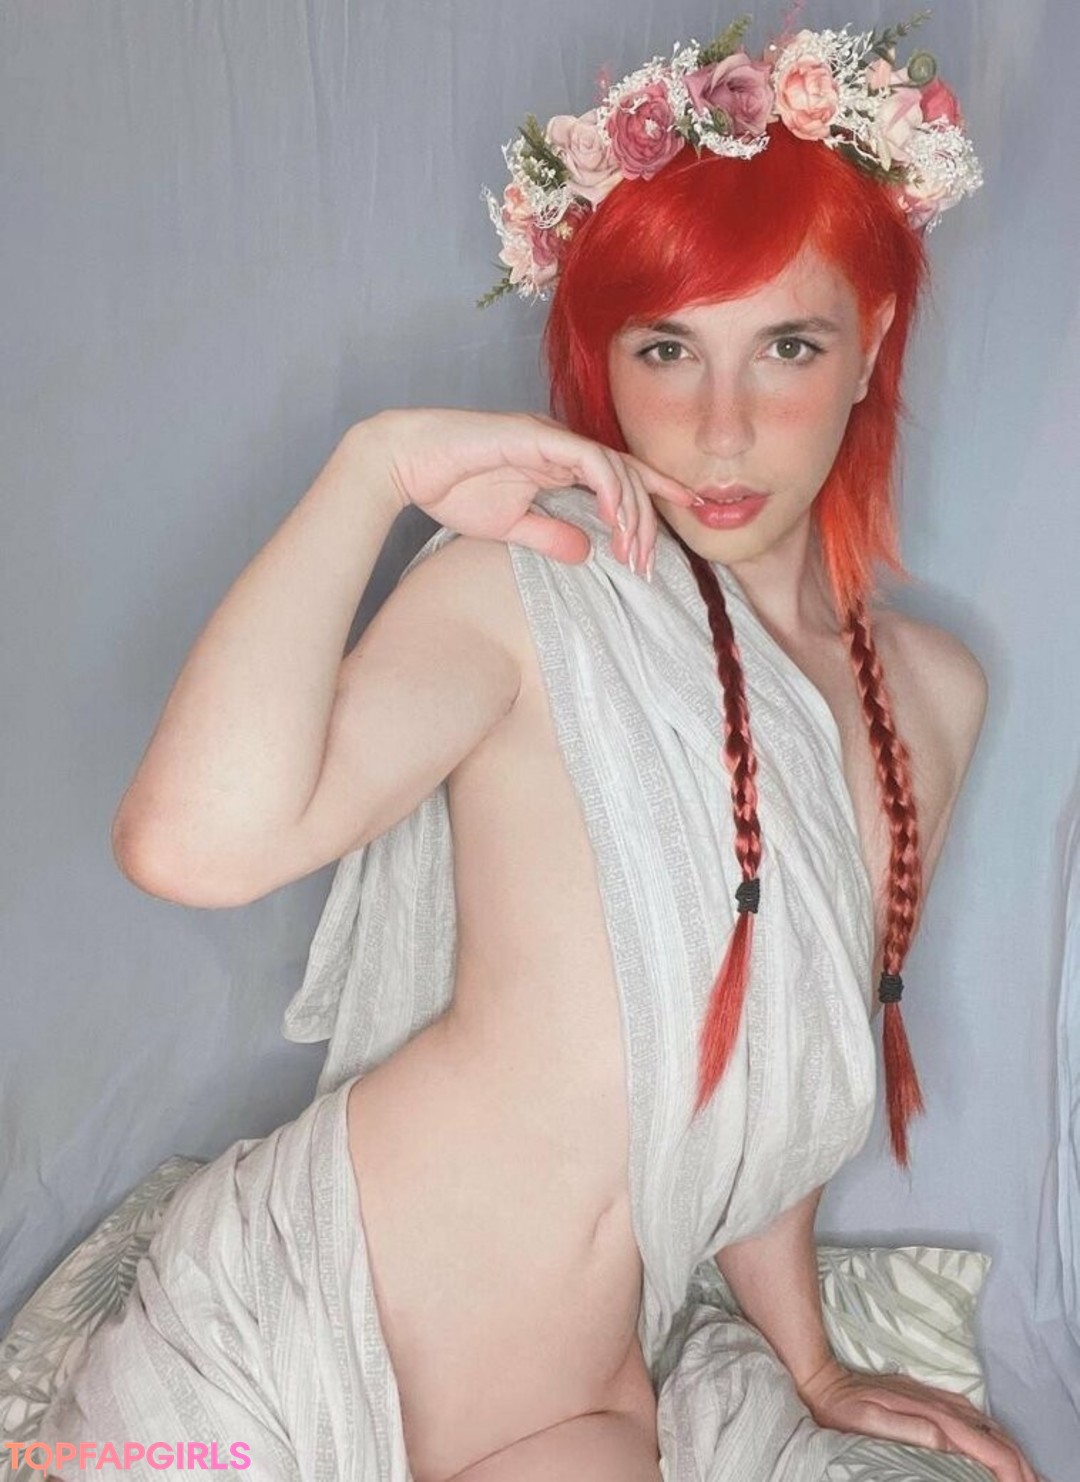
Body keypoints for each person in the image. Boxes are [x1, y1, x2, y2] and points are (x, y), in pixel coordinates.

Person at [37, 14, 1044, 1482]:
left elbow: (776, 1071)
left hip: (572, 1400)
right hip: (291, 1308)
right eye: (665, 349)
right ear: (601, 358)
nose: (720, 428)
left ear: (870, 344)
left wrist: (814, 1361)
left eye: (787, 345)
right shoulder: (532, 583)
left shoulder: (930, 698)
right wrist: (372, 470)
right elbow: (191, 844)